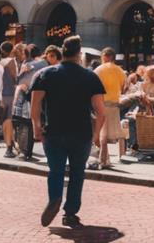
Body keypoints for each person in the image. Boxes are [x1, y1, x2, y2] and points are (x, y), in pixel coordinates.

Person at [31, 35, 106, 229]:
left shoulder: (45, 74)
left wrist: (36, 127)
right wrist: (96, 134)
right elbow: (101, 112)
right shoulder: (90, 76)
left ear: (62, 52)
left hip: (53, 131)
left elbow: (35, 106)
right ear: (79, 54)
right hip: (81, 132)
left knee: (55, 170)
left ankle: (55, 197)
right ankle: (70, 213)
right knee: (77, 173)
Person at [11, 44, 51, 161]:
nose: (22, 55)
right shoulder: (41, 63)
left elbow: (20, 80)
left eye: (24, 53)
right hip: (31, 97)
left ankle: (25, 151)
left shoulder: (31, 64)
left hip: (26, 96)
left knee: (25, 124)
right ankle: (25, 150)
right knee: (26, 124)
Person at [94, 47, 127, 168]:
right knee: (107, 134)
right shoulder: (120, 71)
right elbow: (124, 87)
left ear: (105, 56)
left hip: (102, 103)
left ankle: (102, 160)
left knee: (102, 133)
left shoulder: (99, 69)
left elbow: (94, 87)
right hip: (115, 105)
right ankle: (106, 159)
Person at [0, 43, 24, 158]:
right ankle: (9, 147)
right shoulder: (11, 62)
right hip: (10, 94)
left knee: (6, 121)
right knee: (9, 121)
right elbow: (16, 78)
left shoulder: (2, 62)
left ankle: (10, 145)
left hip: (3, 94)